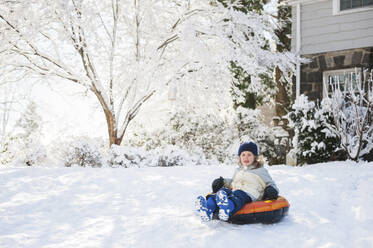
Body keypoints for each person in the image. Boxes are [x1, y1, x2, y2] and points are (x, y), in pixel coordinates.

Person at [196, 141, 279, 222]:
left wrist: (271, 189)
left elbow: (270, 183)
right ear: (240, 157)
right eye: (243, 155)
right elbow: (233, 181)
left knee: (237, 195)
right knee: (223, 192)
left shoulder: (260, 170)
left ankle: (227, 208)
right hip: (235, 191)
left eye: (249, 155)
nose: (246, 157)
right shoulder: (238, 170)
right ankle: (207, 209)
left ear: (255, 157)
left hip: (249, 194)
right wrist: (222, 181)